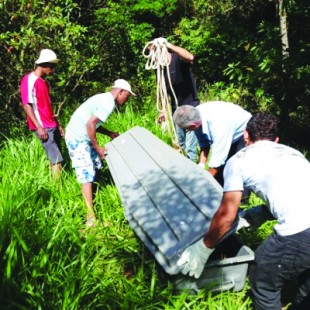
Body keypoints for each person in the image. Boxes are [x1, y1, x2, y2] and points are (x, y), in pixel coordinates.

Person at [176, 112, 310, 310]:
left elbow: (226, 215)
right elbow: (298, 195)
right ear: (276, 140)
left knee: (263, 277)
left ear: (246, 135)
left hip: (300, 232)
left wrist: (203, 248)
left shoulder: (239, 161)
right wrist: (261, 213)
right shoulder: (294, 154)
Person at [65, 79, 135, 227]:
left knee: (96, 166)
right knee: (86, 174)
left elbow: (92, 122)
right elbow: (89, 124)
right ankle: (90, 218)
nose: (126, 100)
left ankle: (94, 198)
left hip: (82, 135)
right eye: (127, 96)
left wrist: (109, 133)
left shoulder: (104, 98)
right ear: (120, 91)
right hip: (77, 138)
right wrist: (98, 148)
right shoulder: (108, 102)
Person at [173, 101, 252, 186]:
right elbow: (204, 143)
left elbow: (217, 162)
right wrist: (201, 166)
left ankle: (243, 197)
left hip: (243, 131)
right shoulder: (196, 116)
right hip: (228, 129)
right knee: (218, 178)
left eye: (187, 129)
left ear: (192, 126)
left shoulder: (218, 127)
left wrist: (201, 184)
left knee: (236, 172)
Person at [20, 48, 64, 177]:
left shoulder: (44, 82)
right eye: (52, 66)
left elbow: (47, 107)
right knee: (57, 160)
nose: (53, 69)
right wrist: (39, 127)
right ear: (45, 64)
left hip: (51, 125)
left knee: (55, 158)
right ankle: (57, 191)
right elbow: (26, 104)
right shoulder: (29, 80)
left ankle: (56, 186)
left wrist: (58, 124)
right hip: (43, 127)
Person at [156, 40, 200, 162]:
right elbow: (164, 91)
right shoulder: (160, 68)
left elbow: (190, 57)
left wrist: (169, 45)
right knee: (180, 142)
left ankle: (194, 169)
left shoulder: (178, 59)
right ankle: (184, 169)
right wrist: (164, 111)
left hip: (190, 106)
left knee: (190, 146)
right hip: (177, 109)